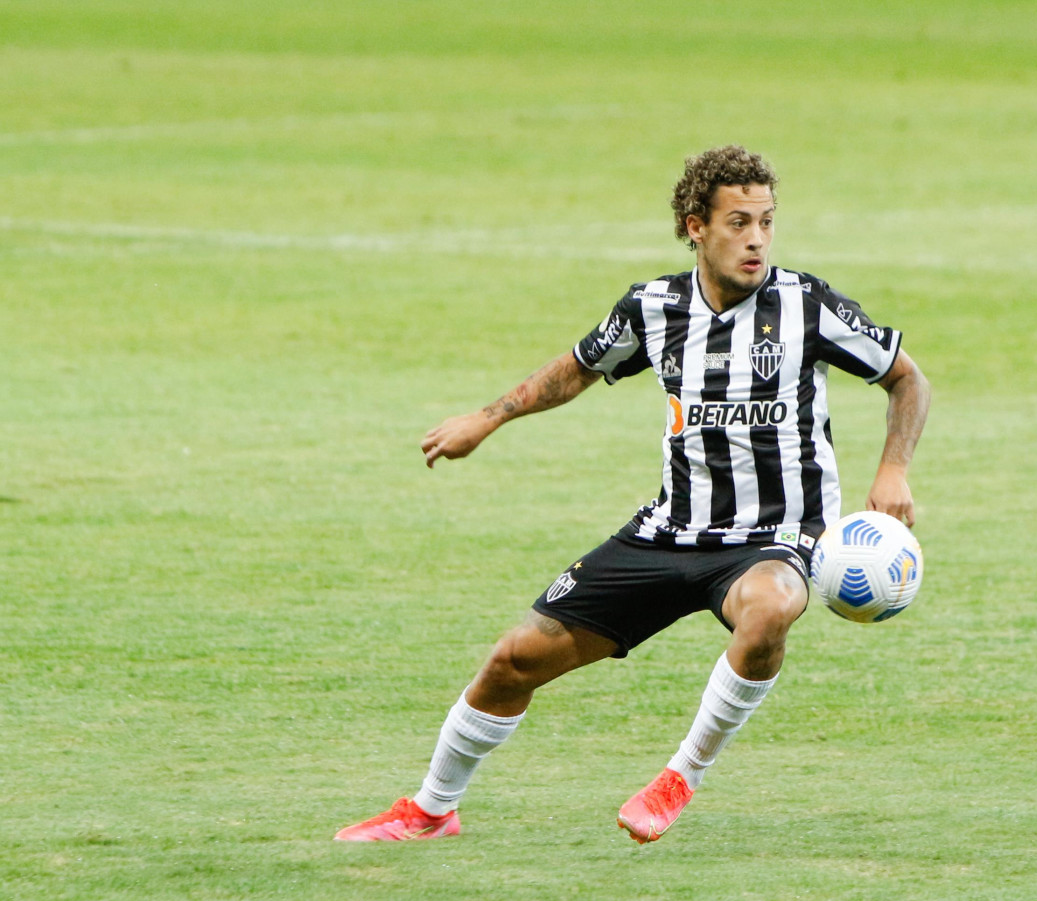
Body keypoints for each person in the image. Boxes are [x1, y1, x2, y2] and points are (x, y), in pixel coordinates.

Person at [335, 145, 930, 844]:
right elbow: (579, 368)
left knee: (767, 609)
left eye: (767, 221)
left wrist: (893, 469)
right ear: (694, 226)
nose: (757, 239)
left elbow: (907, 378)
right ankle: (432, 809)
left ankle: (681, 774)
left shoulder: (807, 304)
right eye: (738, 222)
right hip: (668, 532)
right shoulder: (654, 307)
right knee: (513, 659)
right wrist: (487, 418)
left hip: (778, 537)